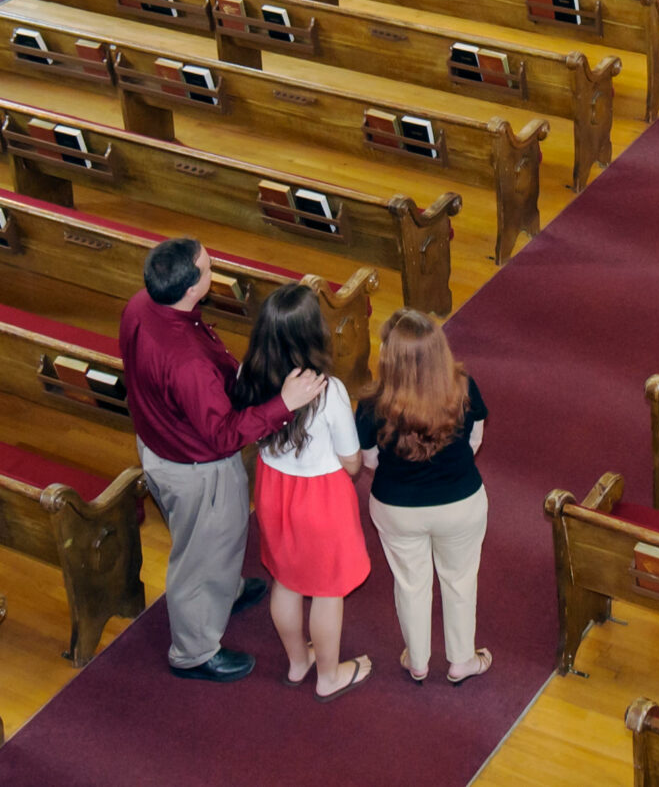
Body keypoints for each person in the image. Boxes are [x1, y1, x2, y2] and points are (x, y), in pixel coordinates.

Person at [119, 238, 325, 682]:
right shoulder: (187, 365)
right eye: (208, 266)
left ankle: (225, 590)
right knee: (199, 554)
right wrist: (284, 404)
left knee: (216, 541)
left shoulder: (141, 305)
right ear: (192, 288)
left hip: (159, 442)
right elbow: (225, 435)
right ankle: (193, 652)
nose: (215, 265)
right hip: (197, 468)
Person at [236, 284, 373, 700]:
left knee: (287, 579)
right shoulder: (328, 391)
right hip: (321, 495)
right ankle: (329, 676)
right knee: (328, 590)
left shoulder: (249, 373)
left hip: (274, 489)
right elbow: (352, 461)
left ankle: (299, 662)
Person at [355, 310, 491, 685]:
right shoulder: (463, 387)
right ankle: (462, 660)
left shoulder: (371, 403)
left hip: (396, 507)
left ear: (389, 355)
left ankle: (417, 660)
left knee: (410, 582)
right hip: (460, 502)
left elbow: (369, 460)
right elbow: (475, 440)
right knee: (460, 578)